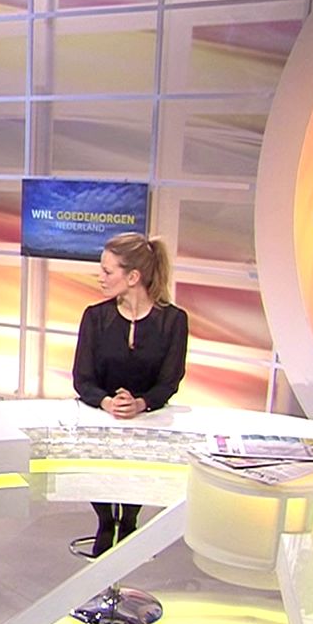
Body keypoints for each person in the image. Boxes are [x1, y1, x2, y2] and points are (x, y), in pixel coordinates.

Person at [71, 233, 189, 556]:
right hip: (100, 420)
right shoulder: (95, 317)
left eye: (108, 271)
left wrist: (140, 403)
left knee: (134, 483)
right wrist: (108, 402)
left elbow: (169, 381)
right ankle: (106, 522)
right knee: (101, 478)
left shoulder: (173, 321)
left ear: (133, 277)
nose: (100, 277)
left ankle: (129, 523)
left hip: (146, 424)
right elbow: (82, 379)